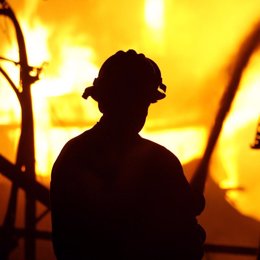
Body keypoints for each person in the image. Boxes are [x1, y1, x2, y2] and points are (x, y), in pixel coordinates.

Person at [50, 49, 206, 260]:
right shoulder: (160, 162)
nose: (140, 111)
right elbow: (185, 242)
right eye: (140, 103)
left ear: (101, 100)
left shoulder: (73, 154)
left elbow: (67, 241)